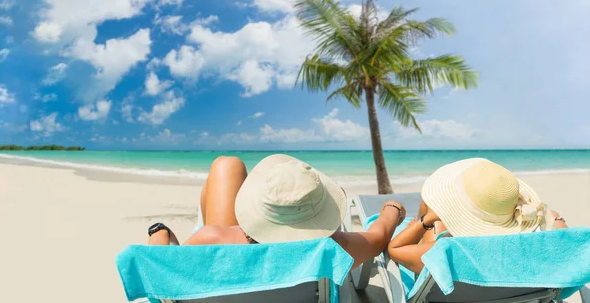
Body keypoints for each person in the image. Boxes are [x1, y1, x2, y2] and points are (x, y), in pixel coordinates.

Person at [148, 154, 406, 269]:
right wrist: (391, 209)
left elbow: (163, 269)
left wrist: (158, 233)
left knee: (227, 165)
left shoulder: (212, 240)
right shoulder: (333, 249)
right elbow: (378, 237)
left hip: (233, 258)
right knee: (227, 166)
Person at [387, 158, 568, 274]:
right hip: (514, 291)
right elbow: (568, 242)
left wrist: (425, 221)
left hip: (455, 274)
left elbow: (395, 249)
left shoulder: (447, 251)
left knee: (428, 206)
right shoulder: (534, 248)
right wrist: (557, 219)